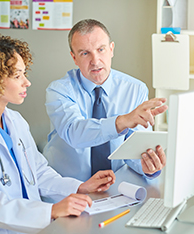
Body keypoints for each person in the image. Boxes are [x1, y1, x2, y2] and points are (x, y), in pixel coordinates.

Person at [0, 34, 116, 234]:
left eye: (24, 74)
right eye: (17, 76)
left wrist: (80, 187)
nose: (27, 82)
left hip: (29, 228)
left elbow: (39, 174)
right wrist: (51, 210)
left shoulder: (16, 121)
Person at [43, 19, 168, 182]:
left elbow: (135, 148)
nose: (95, 61)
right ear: (74, 58)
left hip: (113, 187)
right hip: (68, 188)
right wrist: (122, 121)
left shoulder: (135, 89)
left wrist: (146, 166)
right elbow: (75, 132)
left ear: (111, 49)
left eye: (101, 49)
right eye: (85, 53)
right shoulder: (58, 90)